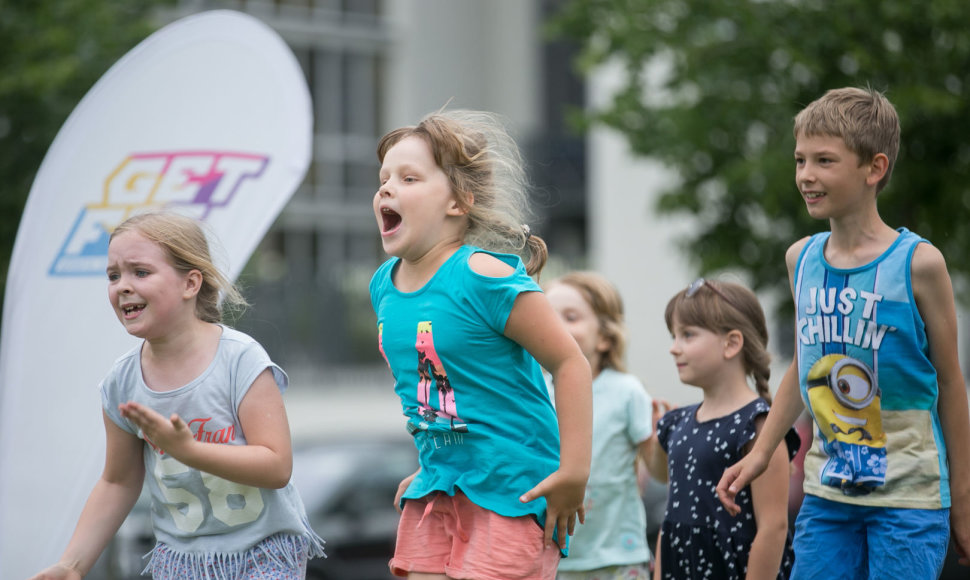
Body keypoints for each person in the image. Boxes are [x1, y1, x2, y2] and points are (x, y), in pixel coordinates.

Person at [716, 86, 970, 578]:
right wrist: (763, 452)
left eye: (824, 161)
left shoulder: (919, 264)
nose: (806, 175)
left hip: (911, 500)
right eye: (800, 161)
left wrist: (962, 498)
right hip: (827, 496)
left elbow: (952, 384)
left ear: (873, 168)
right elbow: (805, 366)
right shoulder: (801, 259)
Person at [30, 211, 324, 580]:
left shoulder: (240, 359)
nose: (122, 285)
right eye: (113, 275)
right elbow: (117, 482)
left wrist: (190, 451)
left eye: (140, 272)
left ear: (191, 283)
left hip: (263, 551)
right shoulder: (120, 382)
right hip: (181, 561)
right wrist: (71, 565)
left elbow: (277, 466)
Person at [369, 109, 593, 580]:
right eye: (384, 178)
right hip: (440, 488)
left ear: (459, 202)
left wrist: (573, 472)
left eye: (408, 178)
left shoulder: (482, 275)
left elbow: (570, 363)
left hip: (512, 492)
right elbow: (435, 388)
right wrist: (438, 461)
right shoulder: (382, 286)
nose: (386, 188)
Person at [648, 279, 800, 579]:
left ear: (731, 343)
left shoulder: (758, 426)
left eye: (687, 335)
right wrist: (652, 438)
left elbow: (773, 527)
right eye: (673, 336)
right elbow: (670, 514)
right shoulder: (678, 422)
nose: (673, 348)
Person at [545, 271, 654, 580]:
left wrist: (660, 438)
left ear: (605, 337)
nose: (557, 327)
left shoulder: (627, 391)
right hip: (552, 559)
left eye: (571, 316)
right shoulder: (534, 393)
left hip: (617, 558)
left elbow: (659, 471)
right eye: (548, 317)